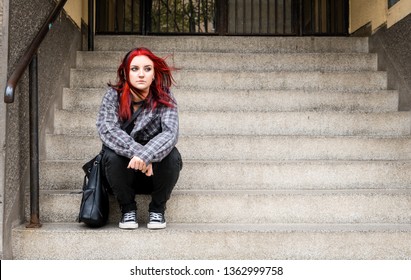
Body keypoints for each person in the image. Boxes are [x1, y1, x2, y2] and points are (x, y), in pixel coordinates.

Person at [96, 47, 182, 230]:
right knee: (111, 155)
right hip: (122, 171)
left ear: (154, 74)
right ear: (126, 74)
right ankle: (127, 208)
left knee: (173, 156)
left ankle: (157, 209)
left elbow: (170, 133)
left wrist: (146, 156)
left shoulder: (164, 96)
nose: (141, 74)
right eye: (134, 69)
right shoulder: (113, 96)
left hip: (153, 172)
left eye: (147, 69)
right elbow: (107, 129)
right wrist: (140, 154)